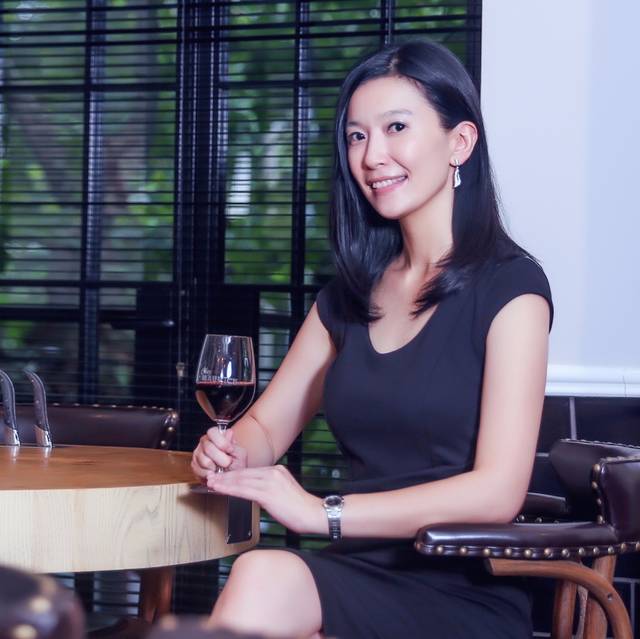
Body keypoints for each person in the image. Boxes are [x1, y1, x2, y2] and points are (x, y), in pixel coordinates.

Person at [191, 38, 553, 639]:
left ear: (460, 142)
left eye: (396, 128)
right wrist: (231, 453)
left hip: (460, 587)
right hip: (355, 569)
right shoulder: (348, 296)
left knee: (261, 577)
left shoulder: (513, 289)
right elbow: (265, 430)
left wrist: (323, 513)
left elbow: (497, 493)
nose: (372, 155)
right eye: (357, 136)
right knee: (262, 574)